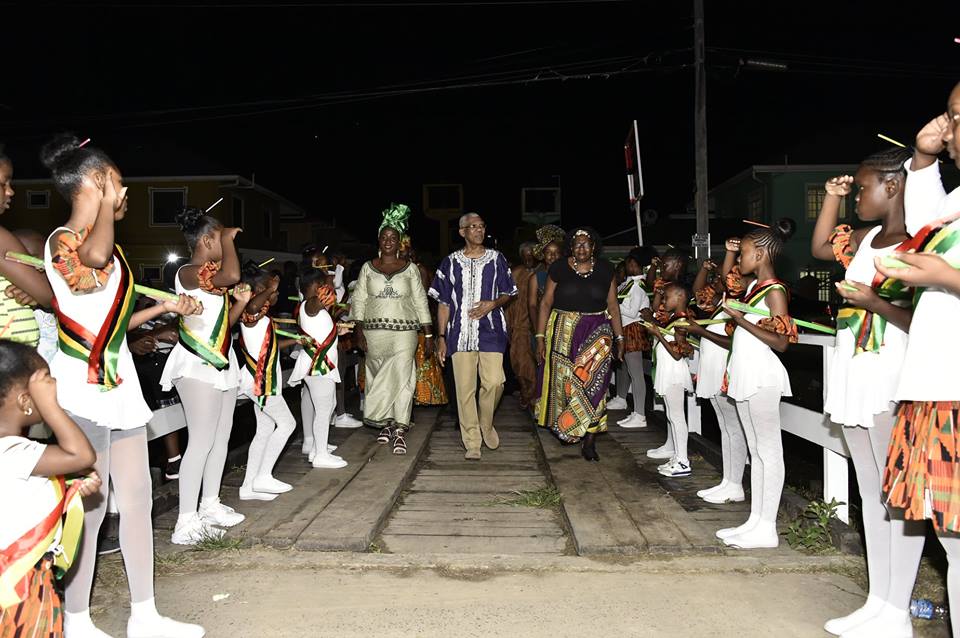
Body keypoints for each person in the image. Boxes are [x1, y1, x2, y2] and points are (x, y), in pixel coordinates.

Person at [39, 134, 204, 637]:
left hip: (120, 386)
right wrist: (107, 207)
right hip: (82, 389)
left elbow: (113, 320)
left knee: (137, 497)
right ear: (95, 181)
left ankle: (145, 614)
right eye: (115, 179)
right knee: (88, 507)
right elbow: (88, 267)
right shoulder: (61, 242)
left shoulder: (110, 248)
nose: (125, 187)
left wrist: (165, 310)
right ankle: (78, 620)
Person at [809, 147, 924, 637]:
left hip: (890, 371)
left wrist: (873, 301)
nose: (857, 195)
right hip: (854, 368)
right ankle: (878, 600)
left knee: (897, 494)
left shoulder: (922, 241)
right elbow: (818, 249)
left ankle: (898, 610)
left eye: (861, 187)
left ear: (893, 186)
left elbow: (924, 321)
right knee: (870, 491)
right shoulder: (869, 237)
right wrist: (831, 200)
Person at [861, 85, 960, 638]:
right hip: (936, 384)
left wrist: (943, 277)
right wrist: (923, 158)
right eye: (950, 115)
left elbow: (933, 260)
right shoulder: (954, 199)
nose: (949, 128)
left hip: (954, 387)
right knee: (950, 539)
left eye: (958, 118)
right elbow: (918, 226)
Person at [160, 206, 250, 546]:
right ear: (206, 240)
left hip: (221, 362)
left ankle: (209, 504)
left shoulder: (211, 279)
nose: (224, 246)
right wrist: (229, 241)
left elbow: (223, 326)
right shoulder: (187, 272)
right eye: (219, 239)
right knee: (200, 440)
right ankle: (185, 520)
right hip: (196, 365)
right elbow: (231, 275)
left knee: (220, 436)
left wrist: (239, 304)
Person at [0, 342, 101, 638]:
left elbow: (21, 499)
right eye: (45, 384)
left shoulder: (14, 453)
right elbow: (81, 456)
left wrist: (71, 490)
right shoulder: (13, 450)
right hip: (18, 585)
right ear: (25, 401)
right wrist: (52, 407)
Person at [718, 219, 798, 550]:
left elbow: (782, 342)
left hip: (763, 376)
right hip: (746, 373)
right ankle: (755, 520)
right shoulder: (754, 289)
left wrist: (739, 320)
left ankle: (768, 527)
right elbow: (728, 279)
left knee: (768, 451)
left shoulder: (775, 291)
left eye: (746, 253)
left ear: (762, 254)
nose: (740, 261)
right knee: (756, 451)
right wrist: (729, 252)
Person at [430, 213, 517, 460]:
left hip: (491, 331)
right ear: (462, 232)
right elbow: (444, 303)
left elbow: (509, 292)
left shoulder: (496, 259)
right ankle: (472, 441)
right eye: (473, 227)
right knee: (464, 390)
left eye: (481, 226)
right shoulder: (449, 262)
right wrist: (441, 337)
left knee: (495, 382)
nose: (479, 230)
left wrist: (492, 304)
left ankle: (485, 423)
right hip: (458, 333)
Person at [534, 227, 624, 462]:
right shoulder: (559, 268)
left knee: (595, 383)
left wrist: (620, 337)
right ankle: (567, 427)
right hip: (563, 331)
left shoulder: (606, 269)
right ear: (571, 248)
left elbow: (613, 306)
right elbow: (545, 304)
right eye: (577, 244)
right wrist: (540, 338)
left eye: (586, 244)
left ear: (594, 246)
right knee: (566, 382)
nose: (582, 248)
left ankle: (590, 440)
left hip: (598, 333)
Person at [350, 204, 433, 454]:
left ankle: (400, 427)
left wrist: (428, 333)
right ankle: (386, 422)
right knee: (377, 376)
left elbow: (420, 300)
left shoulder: (411, 269)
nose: (388, 241)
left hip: (405, 333)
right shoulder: (367, 268)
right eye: (384, 237)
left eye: (393, 238)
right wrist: (358, 331)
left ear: (399, 242)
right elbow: (359, 300)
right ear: (379, 240)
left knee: (403, 375)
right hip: (374, 334)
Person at [236, 265, 300, 500]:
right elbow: (252, 307)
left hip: (261, 380)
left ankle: (248, 487)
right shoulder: (250, 311)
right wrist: (269, 288)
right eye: (273, 291)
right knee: (287, 424)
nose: (276, 295)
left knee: (264, 430)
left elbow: (268, 348)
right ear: (260, 289)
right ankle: (263, 476)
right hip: (259, 382)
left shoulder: (261, 316)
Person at [686, 260, 744, 503]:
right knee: (725, 427)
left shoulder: (735, 306)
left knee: (734, 428)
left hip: (724, 370)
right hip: (712, 368)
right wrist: (706, 270)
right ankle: (728, 480)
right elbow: (697, 292)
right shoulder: (719, 304)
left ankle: (736, 483)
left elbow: (733, 341)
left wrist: (702, 332)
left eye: (722, 279)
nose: (716, 282)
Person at [288, 267, 352, 468]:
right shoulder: (310, 304)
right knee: (324, 411)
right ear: (316, 287)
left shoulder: (311, 307)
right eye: (323, 284)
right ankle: (320, 455)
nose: (327, 287)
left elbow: (321, 330)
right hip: (318, 366)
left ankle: (318, 448)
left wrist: (337, 332)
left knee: (329, 406)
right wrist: (330, 287)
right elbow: (318, 302)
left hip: (321, 365)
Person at [0, 147, 52, 348]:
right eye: (3, 183)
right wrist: (39, 288)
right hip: (9, 361)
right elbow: (48, 296)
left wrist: (31, 289)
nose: (10, 191)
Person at [643, 283, 694, 477]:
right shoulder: (674, 318)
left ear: (680, 297)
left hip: (674, 372)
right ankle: (677, 456)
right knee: (672, 416)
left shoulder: (681, 321)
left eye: (667, 297)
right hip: (668, 371)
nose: (664, 301)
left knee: (677, 416)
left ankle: (683, 461)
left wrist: (658, 335)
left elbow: (677, 354)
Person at [400, 237, 448, 407]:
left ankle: (423, 395)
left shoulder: (419, 270)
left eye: (406, 251)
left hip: (418, 320)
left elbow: (425, 298)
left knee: (420, 355)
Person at [609, 252, 651, 427]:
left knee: (636, 374)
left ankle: (640, 414)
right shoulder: (628, 285)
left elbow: (633, 311)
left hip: (633, 328)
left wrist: (612, 304)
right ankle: (624, 401)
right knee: (624, 368)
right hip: (625, 328)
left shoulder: (637, 285)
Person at [505, 241, 539, 409]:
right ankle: (527, 392)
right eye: (525, 257)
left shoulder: (543, 273)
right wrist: (508, 325)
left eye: (531, 256)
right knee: (520, 363)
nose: (529, 260)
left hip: (538, 325)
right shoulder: (516, 273)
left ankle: (534, 396)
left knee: (536, 363)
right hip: (519, 325)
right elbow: (508, 301)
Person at [527, 225, 565, 355]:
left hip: (564, 329)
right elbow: (532, 306)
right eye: (549, 252)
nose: (552, 256)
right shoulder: (536, 278)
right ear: (543, 255)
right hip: (542, 328)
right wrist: (538, 330)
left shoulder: (567, 277)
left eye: (556, 252)